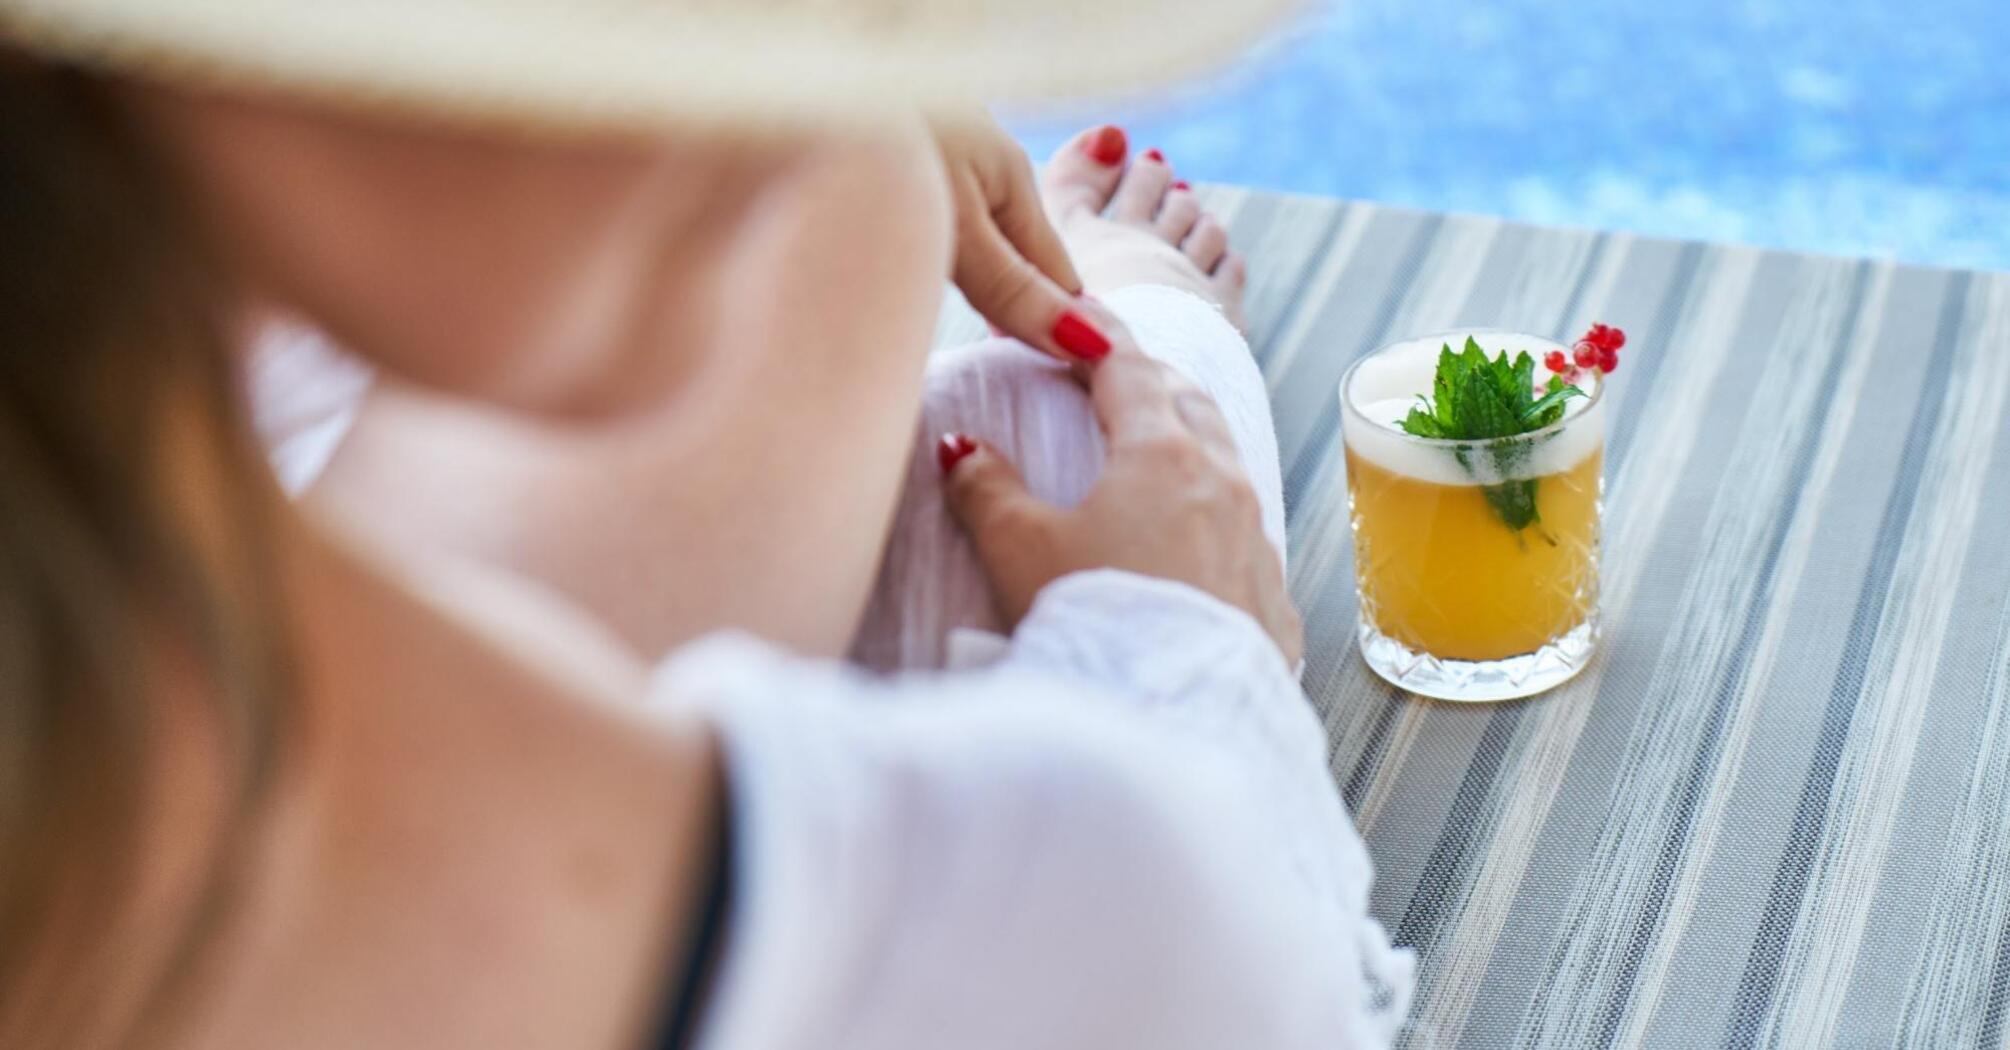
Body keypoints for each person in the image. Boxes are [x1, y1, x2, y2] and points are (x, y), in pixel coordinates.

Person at [0, 3, 1412, 1049]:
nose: (865, 51)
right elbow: (1258, 955)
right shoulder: (1101, 909)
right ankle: (1152, 339)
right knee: (1044, 417)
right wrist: (1192, 649)